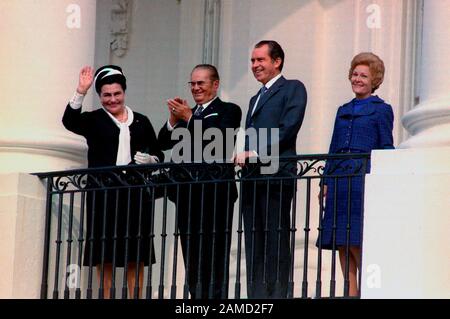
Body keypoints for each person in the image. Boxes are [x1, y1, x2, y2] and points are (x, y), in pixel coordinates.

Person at [62, 65, 164, 298]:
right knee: (104, 250)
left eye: (117, 94)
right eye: (106, 95)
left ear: (124, 92)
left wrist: (151, 159)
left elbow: (158, 153)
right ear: (100, 96)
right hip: (104, 194)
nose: (112, 99)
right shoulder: (94, 119)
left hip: (136, 195)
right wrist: (81, 91)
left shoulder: (141, 121)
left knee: (135, 252)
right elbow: (69, 121)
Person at [158, 64, 242, 299]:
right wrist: (174, 120)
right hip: (188, 195)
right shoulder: (186, 115)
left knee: (215, 254)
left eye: (201, 83)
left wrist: (190, 117)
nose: (195, 88)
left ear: (215, 85)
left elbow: (219, 138)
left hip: (216, 193)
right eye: (192, 84)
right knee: (192, 254)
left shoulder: (229, 110)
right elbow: (163, 143)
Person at [234, 40, 307, 298]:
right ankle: (257, 299)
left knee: (275, 242)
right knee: (254, 243)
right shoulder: (256, 97)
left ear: (277, 61)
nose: (255, 65)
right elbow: (250, 135)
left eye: (260, 60)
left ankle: (276, 297)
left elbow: (288, 128)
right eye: (253, 61)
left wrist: (254, 154)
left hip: (276, 176)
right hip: (253, 179)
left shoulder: (293, 89)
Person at [317, 52, 394, 297]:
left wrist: (382, 181)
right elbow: (332, 146)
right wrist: (326, 181)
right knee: (341, 240)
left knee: (357, 240)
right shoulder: (342, 110)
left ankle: (368, 290)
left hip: (362, 180)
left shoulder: (382, 110)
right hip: (339, 179)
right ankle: (349, 292)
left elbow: (386, 146)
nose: (357, 79)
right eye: (355, 74)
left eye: (363, 75)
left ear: (374, 81)